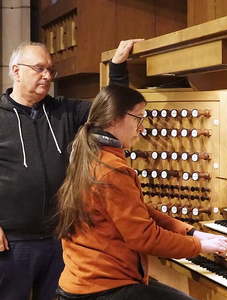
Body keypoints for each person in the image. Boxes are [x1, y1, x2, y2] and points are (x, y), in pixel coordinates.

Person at [56, 84, 227, 300]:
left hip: (85, 279)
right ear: (113, 119)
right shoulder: (111, 169)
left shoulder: (90, 155)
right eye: (138, 118)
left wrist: (191, 233)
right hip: (101, 287)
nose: (142, 128)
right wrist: (199, 246)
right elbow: (144, 237)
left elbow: (138, 211)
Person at [0, 39, 142, 300]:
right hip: (13, 242)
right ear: (16, 70)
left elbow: (110, 109)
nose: (47, 76)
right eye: (39, 68)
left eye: (50, 70)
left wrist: (118, 68)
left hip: (63, 237)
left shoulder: (65, 111)